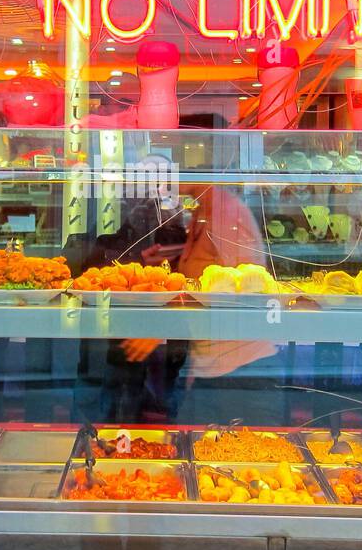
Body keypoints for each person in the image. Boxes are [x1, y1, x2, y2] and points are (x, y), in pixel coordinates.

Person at [121, 182, 285, 426]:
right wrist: (170, 261)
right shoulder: (204, 212)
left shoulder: (226, 215)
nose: (170, 177)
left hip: (242, 376)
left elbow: (247, 293)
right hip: (211, 368)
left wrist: (160, 327)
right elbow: (208, 280)